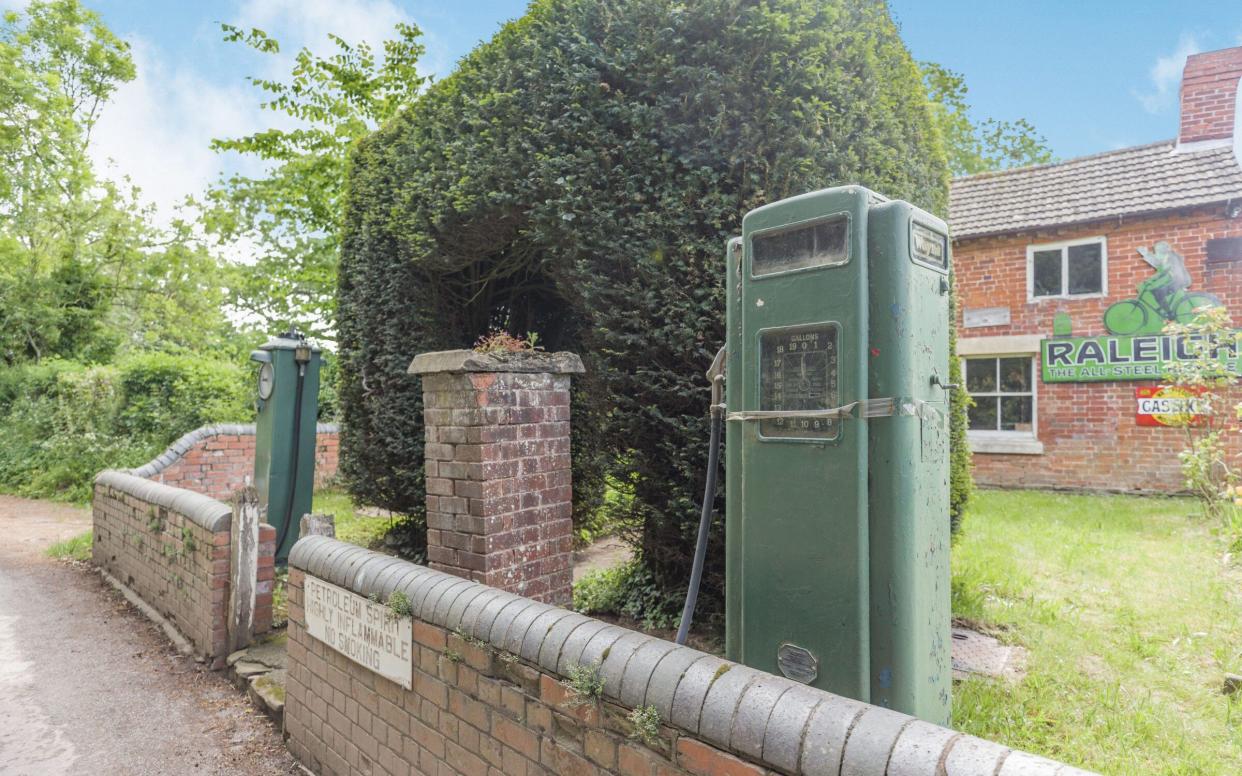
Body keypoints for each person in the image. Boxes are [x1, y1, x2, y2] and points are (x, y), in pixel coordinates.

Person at [1137, 241, 1190, 318]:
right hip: (1175, 280)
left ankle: (1169, 313)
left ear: (1162, 250)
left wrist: (1151, 280)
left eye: (1157, 251)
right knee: (1157, 291)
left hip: (1179, 281)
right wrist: (1146, 254)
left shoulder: (1172, 257)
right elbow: (1158, 264)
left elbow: (1163, 270)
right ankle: (1166, 310)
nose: (1156, 253)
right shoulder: (1167, 256)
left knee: (1158, 293)